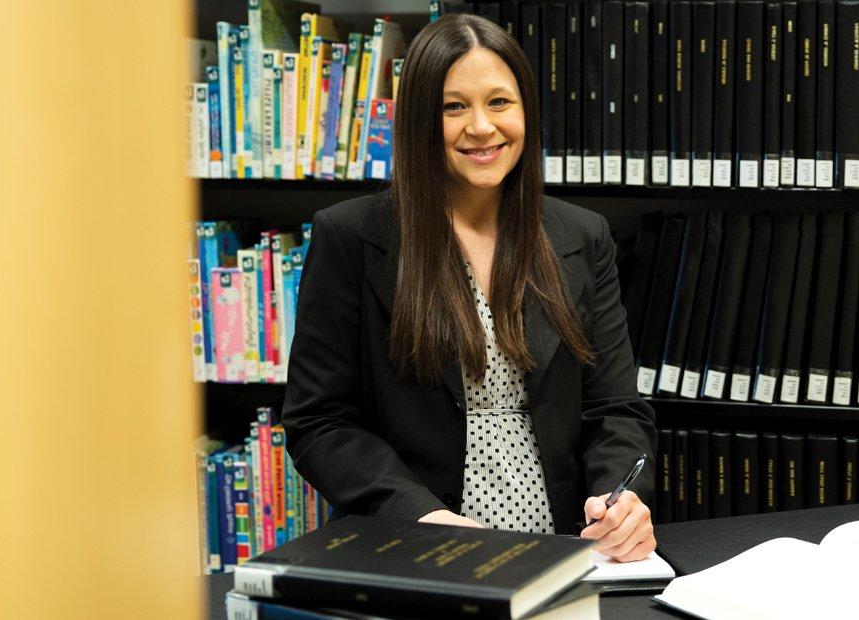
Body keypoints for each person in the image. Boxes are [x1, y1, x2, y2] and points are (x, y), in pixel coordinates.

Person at [281, 14, 657, 562]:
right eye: (453, 107)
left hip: (567, 550)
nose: (481, 127)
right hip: (414, 542)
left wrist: (620, 498)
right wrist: (419, 516)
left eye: (500, 102)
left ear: (526, 110)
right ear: (417, 121)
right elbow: (320, 422)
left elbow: (618, 408)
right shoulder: (351, 236)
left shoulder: (582, 235)